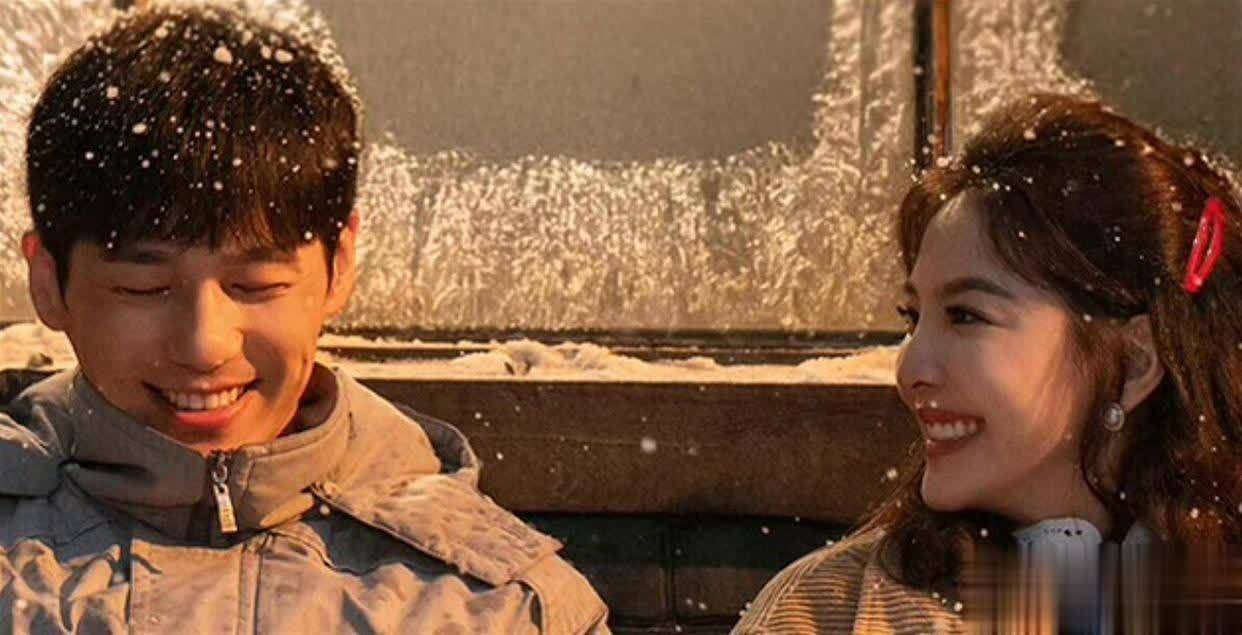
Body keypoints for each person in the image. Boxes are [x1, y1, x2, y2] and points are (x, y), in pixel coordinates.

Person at [2, 6, 608, 633]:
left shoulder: (495, 608)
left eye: (257, 285)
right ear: (48, 281)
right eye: (144, 288)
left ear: (338, 266)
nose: (205, 344)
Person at [734, 93, 1242, 633]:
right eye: (913, 318)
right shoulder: (821, 611)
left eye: (966, 316)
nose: (910, 369)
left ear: (1136, 362)